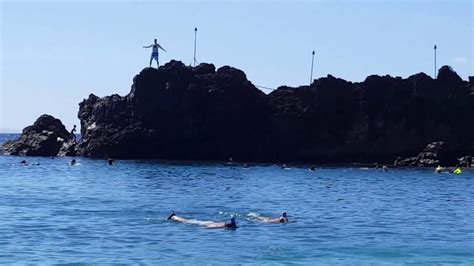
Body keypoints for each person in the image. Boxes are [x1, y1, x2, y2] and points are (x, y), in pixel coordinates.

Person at [167, 212, 237, 229]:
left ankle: (174, 216)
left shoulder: (221, 224)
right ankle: (174, 217)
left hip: (203, 222)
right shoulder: (220, 225)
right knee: (185, 221)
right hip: (200, 223)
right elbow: (207, 227)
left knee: (185, 220)